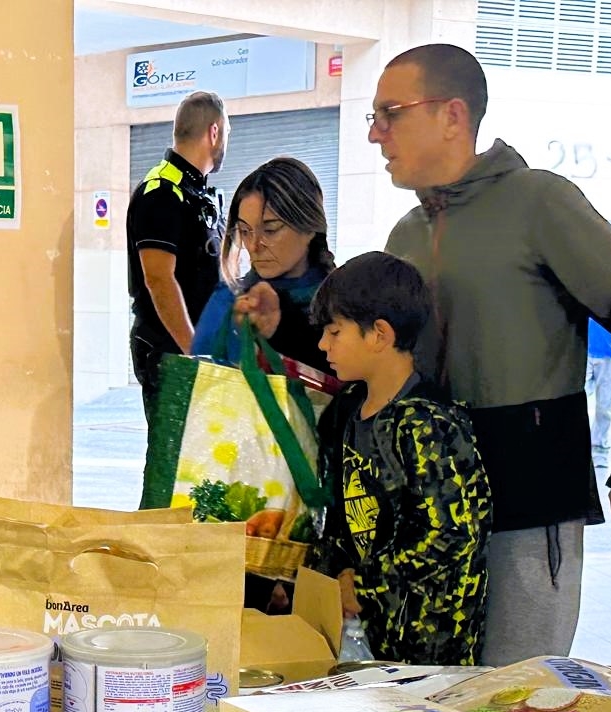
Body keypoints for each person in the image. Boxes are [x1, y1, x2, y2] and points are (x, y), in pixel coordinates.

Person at [369, 44, 611, 665]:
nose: (377, 133)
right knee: (424, 697)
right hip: (427, 503)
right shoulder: (406, 234)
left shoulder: (539, 202)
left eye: (391, 114)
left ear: (452, 115)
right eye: (374, 117)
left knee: (516, 690)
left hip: (529, 492)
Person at [313, 252, 492, 667]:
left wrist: (364, 583)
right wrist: (331, 572)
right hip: (368, 635)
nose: (323, 344)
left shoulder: (429, 424)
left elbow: (450, 535)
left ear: (379, 334)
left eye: (334, 331)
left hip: (429, 653)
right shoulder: (348, 409)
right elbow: (340, 514)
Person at [126, 91, 229, 423]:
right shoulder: (162, 191)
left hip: (197, 353)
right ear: (214, 132)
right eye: (227, 133)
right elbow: (158, 279)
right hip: (174, 357)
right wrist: (196, 353)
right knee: (174, 452)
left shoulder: (198, 193)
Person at [192, 157, 337, 379]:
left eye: (270, 230)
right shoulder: (230, 301)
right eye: (245, 231)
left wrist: (285, 327)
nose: (253, 246)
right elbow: (197, 385)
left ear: (310, 227)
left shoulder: (346, 301)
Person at [586, 319, 611, 469]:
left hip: (610, 353)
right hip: (582, 349)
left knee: (604, 406)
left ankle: (599, 450)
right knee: (571, 401)